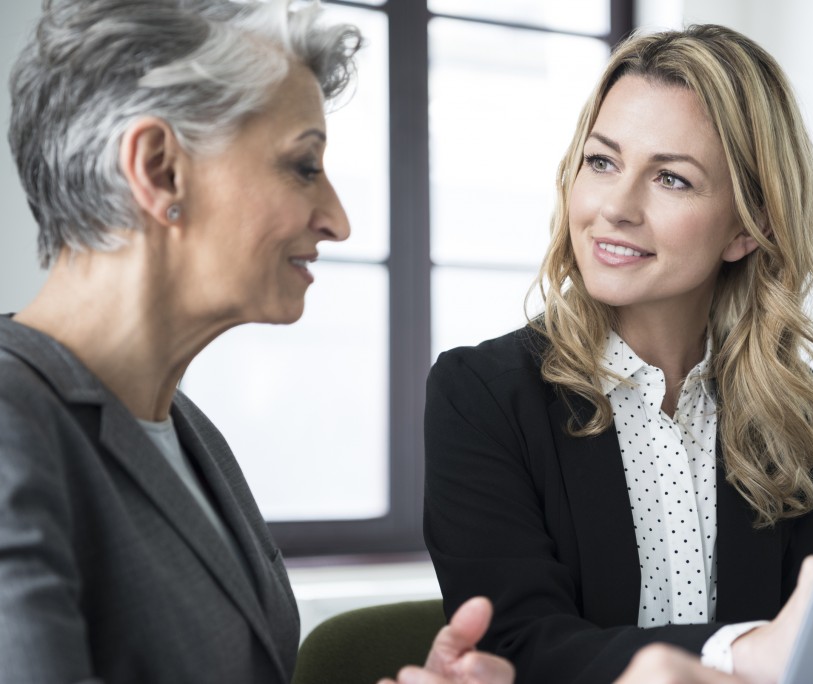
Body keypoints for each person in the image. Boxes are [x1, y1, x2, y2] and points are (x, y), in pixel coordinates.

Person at [0, 1, 509, 682]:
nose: (337, 220)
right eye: (303, 165)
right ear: (159, 170)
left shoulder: (189, 433)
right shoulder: (12, 429)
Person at [423, 24, 813, 684]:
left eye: (670, 178)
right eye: (602, 162)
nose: (615, 206)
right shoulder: (481, 395)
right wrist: (742, 652)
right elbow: (518, 648)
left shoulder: (792, 419)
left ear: (749, 229)